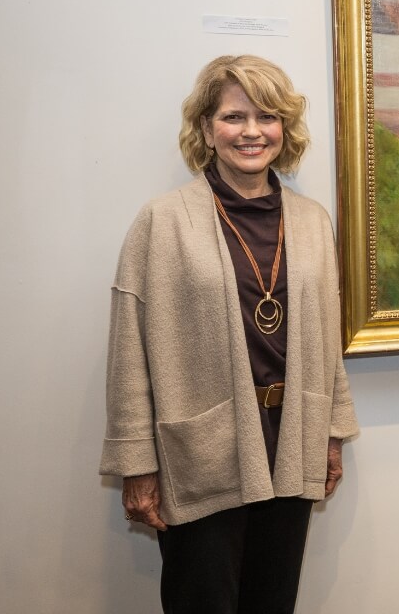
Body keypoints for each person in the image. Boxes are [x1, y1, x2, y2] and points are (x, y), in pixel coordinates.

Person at [99, 55, 359, 613]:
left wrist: (333, 431)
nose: (251, 132)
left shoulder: (313, 221)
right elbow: (129, 354)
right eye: (233, 117)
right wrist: (136, 463)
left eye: (267, 116)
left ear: (284, 128)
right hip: (201, 458)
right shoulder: (162, 221)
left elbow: (327, 343)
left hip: (291, 447)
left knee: (273, 603)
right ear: (205, 127)